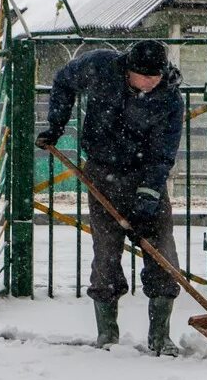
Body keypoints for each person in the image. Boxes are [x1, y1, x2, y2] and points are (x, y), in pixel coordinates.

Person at [35, 40, 184, 356]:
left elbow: (162, 154)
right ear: (127, 67)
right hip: (103, 173)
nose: (146, 83)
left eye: (153, 77)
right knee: (105, 253)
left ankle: (160, 337)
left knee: (162, 252)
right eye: (139, 76)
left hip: (146, 175)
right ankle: (107, 335)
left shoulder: (170, 98)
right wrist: (56, 126)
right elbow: (63, 81)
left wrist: (148, 196)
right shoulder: (101, 67)